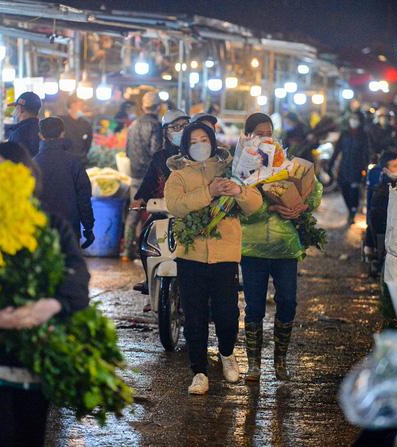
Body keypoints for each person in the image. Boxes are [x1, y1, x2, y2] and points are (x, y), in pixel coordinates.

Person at [0, 143, 90, 446]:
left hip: (37, 357)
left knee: (31, 437)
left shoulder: (52, 227)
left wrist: (51, 305)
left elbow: (76, 278)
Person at [164, 122, 262, 395]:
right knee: (194, 317)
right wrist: (210, 192)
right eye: (193, 140)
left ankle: (227, 355)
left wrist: (238, 191)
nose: (199, 144)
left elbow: (255, 205)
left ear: (213, 141)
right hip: (190, 257)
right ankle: (198, 372)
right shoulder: (179, 174)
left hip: (225, 257)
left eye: (203, 139)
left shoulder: (230, 169)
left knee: (227, 313)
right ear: (185, 145)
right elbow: (176, 205)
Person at [238, 113, 323, 382]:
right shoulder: (242, 167)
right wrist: (271, 206)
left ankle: (280, 361)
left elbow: (315, 189)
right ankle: (254, 364)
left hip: (285, 247)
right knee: (254, 307)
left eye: (270, 132)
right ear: (249, 135)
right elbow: (239, 206)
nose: (267, 137)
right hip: (252, 248)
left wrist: (303, 205)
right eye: (260, 133)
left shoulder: (285, 162)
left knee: (288, 302)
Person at [132, 109, 189, 306]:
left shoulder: (195, 155)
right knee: (144, 239)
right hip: (163, 212)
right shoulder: (159, 157)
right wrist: (140, 199)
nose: (180, 131)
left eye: (184, 126)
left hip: (190, 212)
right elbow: (148, 182)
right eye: (175, 127)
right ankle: (150, 281)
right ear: (165, 132)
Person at [33, 117, 95, 248]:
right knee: (70, 267)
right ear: (62, 134)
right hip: (69, 230)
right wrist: (88, 228)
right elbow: (84, 198)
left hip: (40, 230)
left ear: (40, 135)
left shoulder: (32, 164)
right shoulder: (74, 163)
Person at [122, 91, 163, 261]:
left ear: (143, 107)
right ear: (159, 107)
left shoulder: (133, 124)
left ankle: (127, 250)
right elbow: (156, 153)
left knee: (134, 212)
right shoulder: (155, 126)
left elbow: (127, 150)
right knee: (156, 213)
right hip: (150, 177)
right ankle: (151, 250)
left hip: (134, 174)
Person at [331, 111, 370, 224]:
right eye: (352, 118)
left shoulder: (363, 135)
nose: (353, 121)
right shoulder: (345, 134)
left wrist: (366, 167)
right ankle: (350, 209)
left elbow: (367, 152)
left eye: (356, 119)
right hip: (344, 167)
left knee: (354, 191)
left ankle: (352, 212)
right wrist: (331, 163)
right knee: (344, 189)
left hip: (357, 168)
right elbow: (337, 149)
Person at [5, 91, 41, 158]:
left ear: (21, 110)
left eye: (15, 108)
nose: (13, 113)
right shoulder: (42, 131)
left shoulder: (17, 134)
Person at [61, 95, 93, 167]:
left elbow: (88, 144)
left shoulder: (86, 124)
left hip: (81, 162)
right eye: (81, 105)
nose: (83, 107)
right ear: (73, 105)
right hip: (65, 163)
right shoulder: (61, 122)